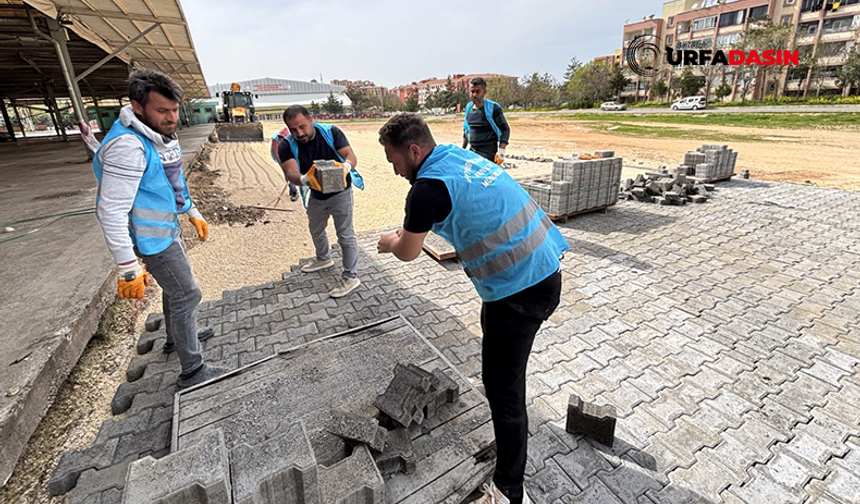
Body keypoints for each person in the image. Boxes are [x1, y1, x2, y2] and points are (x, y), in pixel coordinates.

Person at [377, 113, 568, 504]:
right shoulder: (452, 157)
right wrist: (402, 231)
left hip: (521, 292)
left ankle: (509, 491)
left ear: (413, 151)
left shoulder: (425, 189)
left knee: (505, 393)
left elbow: (409, 251)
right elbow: (416, 225)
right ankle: (505, 442)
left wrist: (388, 243)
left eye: (394, 161)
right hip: (541, 270)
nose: (394, 170)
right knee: (497, 367)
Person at [92, 69, 228, 389]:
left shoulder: (156, 134)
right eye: (162, 111)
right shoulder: (129, 146)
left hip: (167, 229)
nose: (171, 118)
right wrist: (128, 266)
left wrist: (191, 212)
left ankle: (175, 339)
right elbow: (110, 210)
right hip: (151, 239)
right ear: (137, 106)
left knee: (176, 290)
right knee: (187, 293)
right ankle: (192, 370)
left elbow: (171, 181)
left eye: (175, 109)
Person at [278, 105, 361, 298]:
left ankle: (351, 276)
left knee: (345, 234)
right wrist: (306, 180)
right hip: (316, 194)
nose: (299, 133)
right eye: (293, 129)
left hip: (341, 192)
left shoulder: (331, 132)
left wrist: (346, 167)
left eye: (302, 127)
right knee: (316, 228)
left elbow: (350, 155)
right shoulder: (286, 145)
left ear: (311, 120)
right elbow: (291, 172)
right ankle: (324, 259)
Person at [462, 76, 511, 166]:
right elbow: (466, 130)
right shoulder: (469, 108)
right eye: (472, 91)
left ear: (484, 92)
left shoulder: (492, 108)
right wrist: (463, 150)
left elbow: (505, 130)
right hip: (472, 150)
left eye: (478, 91)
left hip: (488, 152)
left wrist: (501, 151)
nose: (474, 95)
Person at [269, 127, 299, 202]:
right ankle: (294, 191)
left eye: (282, 138)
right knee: (287, 174)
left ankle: (292, 190)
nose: (280, 140)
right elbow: (276, 152)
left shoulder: (292, 139)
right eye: (280, 138)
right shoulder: (276, 140)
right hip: (280, 158)